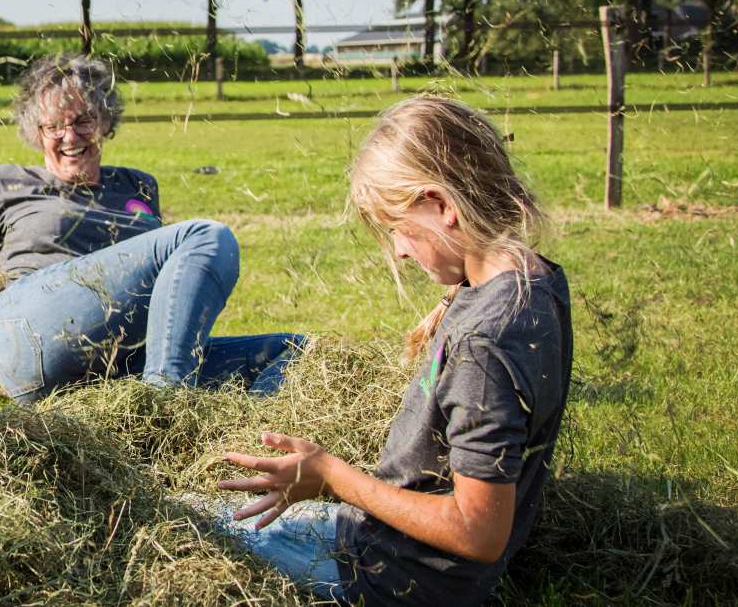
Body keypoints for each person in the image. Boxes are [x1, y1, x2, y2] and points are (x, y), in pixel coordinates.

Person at [205, 95, 573, 606]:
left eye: (398, 227)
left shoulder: (485, 343)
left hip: (392, 576)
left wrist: (332, 476)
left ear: (443, 206)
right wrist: (454, 297)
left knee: (189, 521)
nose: (399, 249)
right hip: (402, 553)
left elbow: (478, 532)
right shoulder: (535, 280)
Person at [0, 54, 303, 409]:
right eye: (54, 127)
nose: (70, 137)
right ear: (37, 134)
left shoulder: (138, 185)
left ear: (105, 121)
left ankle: (241, 439)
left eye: (84, 121)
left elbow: (163, 294)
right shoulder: (6, 183)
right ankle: (164, 405)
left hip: (111, 366)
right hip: (29, 327)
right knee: (207, 237)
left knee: (293, 351)